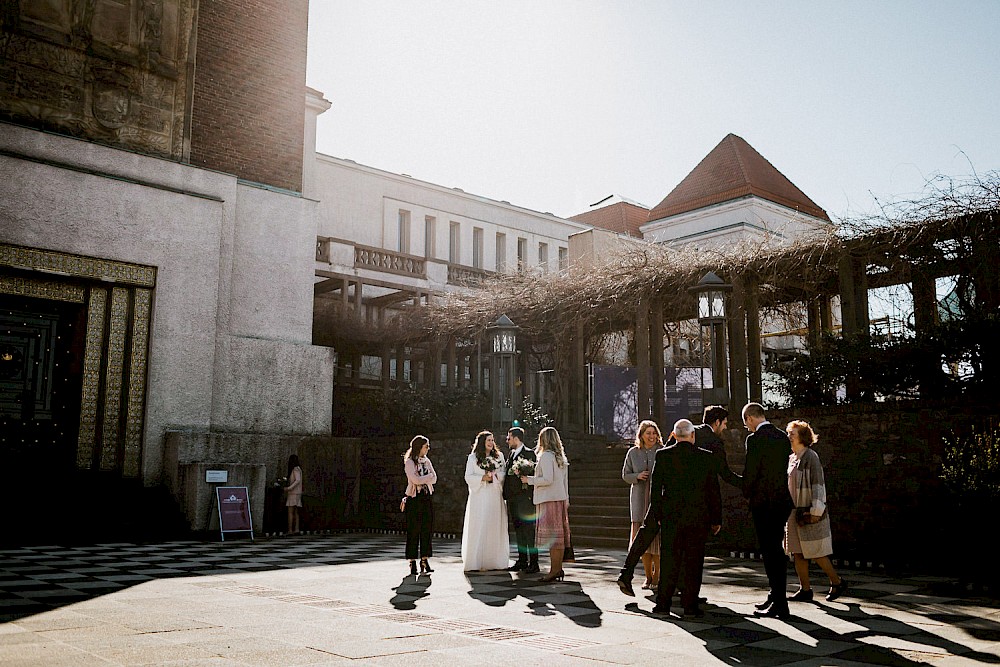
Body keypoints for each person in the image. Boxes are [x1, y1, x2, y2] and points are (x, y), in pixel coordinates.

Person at [616, 406, 739, 596]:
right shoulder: (714, 442)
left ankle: (626, 573)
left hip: (666, 497)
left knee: (645, 534)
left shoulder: (682, 430)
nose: (724, 428)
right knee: (686, 547)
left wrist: (657, 500)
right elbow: (723, 475)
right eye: (724, 423)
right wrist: (748, 484)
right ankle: (683, 589)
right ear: (717, 423)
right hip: (691, 502)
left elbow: (664, 459)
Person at [649, 419, 722, 617]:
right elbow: (713, 491)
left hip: (671, 516)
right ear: (692, 435)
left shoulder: (663, 455)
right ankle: (690, 605)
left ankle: (662, 604)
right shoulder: (705, 457)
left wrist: (657, 514)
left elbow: (656, 489)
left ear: (674, 435)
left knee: (669, 561)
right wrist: (716, 519)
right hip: (697, 517)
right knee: (693, 561)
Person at [785, 420, 847, 603]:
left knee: (816, 551)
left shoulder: (811, 457)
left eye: (792, 434)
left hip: (808, 512)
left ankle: (836, 582)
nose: (789, 437)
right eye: (789, 433)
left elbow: (818, 484)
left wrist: (816, 511)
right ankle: (805, 589)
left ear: (802, 437)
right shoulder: (792, 458)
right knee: (797, 552)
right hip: (793, 513)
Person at [742, 403, 795, 618]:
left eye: (746, 423)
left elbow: (751, 471)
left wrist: (746, 490)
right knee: (775, 549)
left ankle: (780, 603)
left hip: (763, 502)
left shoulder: (754, 440)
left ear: (750, 418)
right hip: (781, 501)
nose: (747, 427)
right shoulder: (782, 437)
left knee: (770, 552)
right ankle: (775, 595)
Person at [520, 426, 571, 582]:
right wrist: (566, 499)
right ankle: (557, 569)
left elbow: (547, 479)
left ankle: (554, 570)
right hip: (559, 498)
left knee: (553, 537)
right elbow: (564, 482)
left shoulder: (546, 456)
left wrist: (529, 480)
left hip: (549, 499)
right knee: (558, 537)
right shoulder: (560, 457)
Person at [622, 420, 663, 591]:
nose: (652, 436)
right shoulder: (633, 453)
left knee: (658, 542)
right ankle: (647, 576)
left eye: (654, 433)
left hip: (657, 500)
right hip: (639, 498)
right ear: (641, 435)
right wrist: (637, 476)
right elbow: (625, 475)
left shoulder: (663, 451)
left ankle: (657, 576)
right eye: (648, 433)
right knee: (641, 542)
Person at [461, 430, 510, 571]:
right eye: (488, 440)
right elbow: (468, 476)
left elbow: (503, 473)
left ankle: (494, 560)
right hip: (479, 495)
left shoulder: (499, 456)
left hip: (494, 494)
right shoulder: (473, 458)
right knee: (480, 523)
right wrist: (483, 478)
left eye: (492, 440)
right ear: (482, 442)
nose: (491, 443)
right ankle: (476, 561)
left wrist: (494, 476)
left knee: (494, 524)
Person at [503, 426, 539, 573]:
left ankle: (534, 563)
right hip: (512, 499)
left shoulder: (529, 454)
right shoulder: (511, 454)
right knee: (518, 529)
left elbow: (532, 473)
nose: (507, 440)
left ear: (516, 438)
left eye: (509, 437)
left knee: (528, 531)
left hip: (525, 499)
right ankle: (522, 560)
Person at [403, 435, 437, 576]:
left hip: (426, 497)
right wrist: (427, 478)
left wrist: (427, 478)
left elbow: (434, 478)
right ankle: (412, 560)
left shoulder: (427, 461)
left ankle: (425, 558)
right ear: (419, 447)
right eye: (426, 446)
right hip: (414, 499)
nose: (428, 448)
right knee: (413, 530)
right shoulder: (410, 462)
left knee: (426, 529)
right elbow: (415, 480)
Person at [285, 454, 303, 536]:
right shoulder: (298, 469)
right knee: (296, 512)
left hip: (293, 493)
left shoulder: (295, 469)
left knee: (290, 512)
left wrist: (289, 488)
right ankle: (296, 529)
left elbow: (297, 480)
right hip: (298, 492)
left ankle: (290, 530)